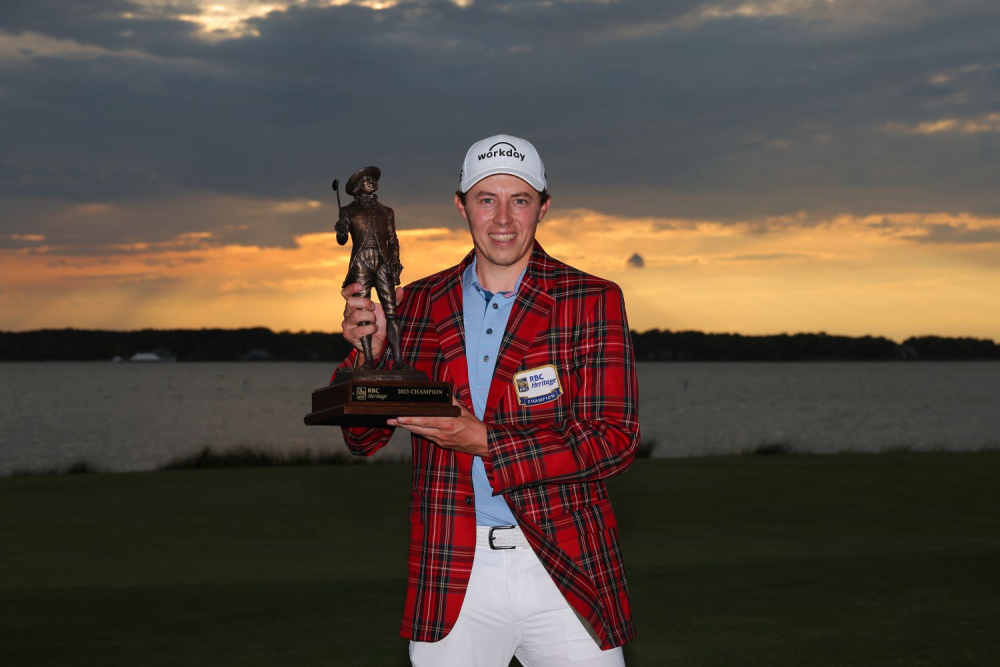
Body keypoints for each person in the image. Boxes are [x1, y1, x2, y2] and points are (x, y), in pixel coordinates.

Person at [336, 134, 640, 667]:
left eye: (519, 199)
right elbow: (363, 438)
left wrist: (484, 440)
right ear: (461, 206)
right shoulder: (418, 302)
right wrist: (372, 355)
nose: (502, 218)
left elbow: (613, 440)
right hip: (453, 566)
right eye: (485, 199)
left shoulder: (591, 298)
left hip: (564, 562)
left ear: (543, 207)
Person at [336, 165, 408, 370]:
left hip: (383, 261)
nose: (372, 182)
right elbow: (342, 240)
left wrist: (395, 261)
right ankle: (367, 359)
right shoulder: (348, 210)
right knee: (363, 310)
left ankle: (399, 361)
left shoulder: (387, 211)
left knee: (391, 311)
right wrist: (341, 229)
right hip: (361, 262)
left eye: (373, 180)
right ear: (358, 186)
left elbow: (393, 239)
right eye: (367, 180)